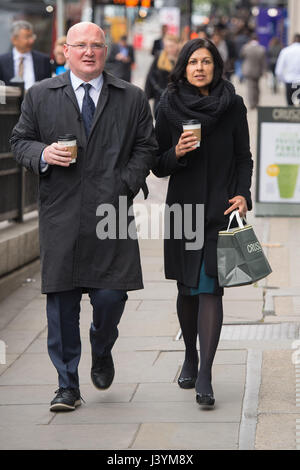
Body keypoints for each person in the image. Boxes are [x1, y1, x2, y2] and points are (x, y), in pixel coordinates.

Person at [10, 22, 157, 412]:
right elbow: (19, 141)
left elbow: (146, 146)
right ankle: (67, 385)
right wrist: (42, 154)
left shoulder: (131, 97)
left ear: (105, 51)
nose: (88, 52)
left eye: (96, 45)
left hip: (111, 213)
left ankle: (102, 343)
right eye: (80, 45)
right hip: (61, 214)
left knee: (111, 297)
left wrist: (125, 182)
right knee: (61, 304)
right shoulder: (41, 95)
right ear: (64, 50)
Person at [152, 38, 253, 409]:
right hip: (183, 210)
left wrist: (244, 194)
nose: (199, 68)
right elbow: (156, 162)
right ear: (183, 66)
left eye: (206, 62)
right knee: (186, 289)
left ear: (216, 66)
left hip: (221, 211)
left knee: (211, 288)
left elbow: (244, 157)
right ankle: (190, 357)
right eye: (193, 62)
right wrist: (175, 153)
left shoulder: (232, 104)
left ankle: (206, 372)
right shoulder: (168, 105)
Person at [0, 20, 51, 90]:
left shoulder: (43, 60)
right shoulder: (2, 61)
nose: (32, 41)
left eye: (32, 36)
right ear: (14, 40)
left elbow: (48, 87)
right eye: (27, 37)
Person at [145, 34, 180, 115]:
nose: (169, 49)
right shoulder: (160, 56)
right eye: (167, 46)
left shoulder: (181, 58)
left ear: (177, 45)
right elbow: (151, 75)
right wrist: (157, 88)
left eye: (171, 46)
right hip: (160, 95)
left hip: (176, 97)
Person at [241, 33, 266, 109]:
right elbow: (263, 62)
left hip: (248, 70)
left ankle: (252, 103)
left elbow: (242, 55)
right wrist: (264, 71)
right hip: (257, 70)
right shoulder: (261, 49)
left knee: (250, 88)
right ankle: (256, 102)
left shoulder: (246, 47)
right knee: (257, 87)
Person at [275, 33, 300, 106]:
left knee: (289, 107)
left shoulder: (285, 51)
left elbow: (278, 70)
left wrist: (282, 80)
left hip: (289, 81)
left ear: (292, 40)